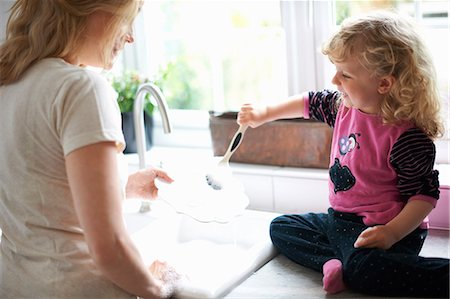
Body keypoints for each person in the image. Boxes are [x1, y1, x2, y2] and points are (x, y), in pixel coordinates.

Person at [238, 11, 449, 298]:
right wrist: (264, 114)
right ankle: (335, 262)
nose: (335, 79)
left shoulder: (406, 138)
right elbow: (309, 102)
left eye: (345, 74)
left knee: (367, 269)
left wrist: (391, 234)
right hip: (340, 221)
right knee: (281, 227)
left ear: (384, 84)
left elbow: (423, 198)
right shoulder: (342, 108)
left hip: (388, 230)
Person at [0, 1, 180, 298]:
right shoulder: (82, 89)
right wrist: (161, 291)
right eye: (126, 19)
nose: (130, 36)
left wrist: (125, 187)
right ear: (91, 10)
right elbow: (109, 247)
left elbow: (35, 194)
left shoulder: (10, 83)